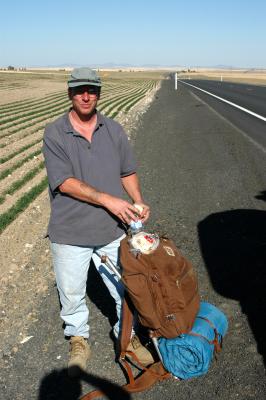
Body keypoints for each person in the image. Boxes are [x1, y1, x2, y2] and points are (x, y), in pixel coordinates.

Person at [42, 67, 153, 376]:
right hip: (70, 231)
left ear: (99, 93)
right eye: (79, 90)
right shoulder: (55, 132)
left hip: (111, 230)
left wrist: (137, 200)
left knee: (124, 289)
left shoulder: (114, 129)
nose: (86, 95)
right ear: (70, 94)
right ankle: (78, 339)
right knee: (73, 293)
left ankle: (127, 338)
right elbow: (64, 182)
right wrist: (108, 199)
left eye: (91, 89)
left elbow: (127, 171)